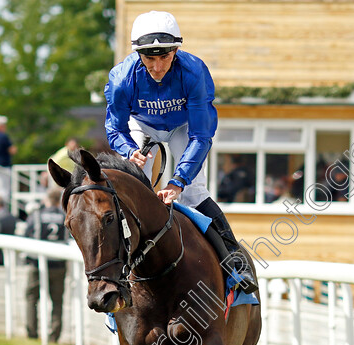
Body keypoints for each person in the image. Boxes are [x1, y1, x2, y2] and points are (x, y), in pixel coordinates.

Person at [104, 10, 257, 293]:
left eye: (165, 56)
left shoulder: (195, 72)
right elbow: (115, 129)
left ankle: (235, 262)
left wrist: (178, 180)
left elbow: (201, 135)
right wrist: (128, 151)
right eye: (149, 57)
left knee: (193, 192)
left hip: (183, 126)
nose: (158, 66)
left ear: (176, 50)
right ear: (138, 54)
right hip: (142, 124)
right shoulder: (122, 78)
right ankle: (117, 268)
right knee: (135, 182)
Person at [25, 188, 68, 342]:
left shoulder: (35, 215)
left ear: (47, 199)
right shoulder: (65, 215)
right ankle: (54, 336)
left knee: (31, 298)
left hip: (36, 264)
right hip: (59, 265)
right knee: (57, 301)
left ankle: (31, 332)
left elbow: (26, 235)